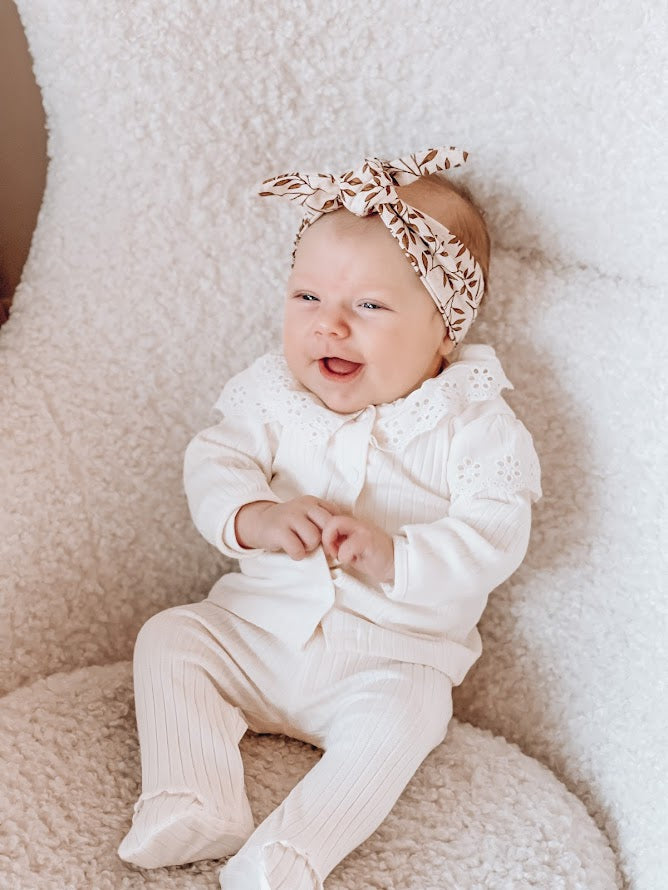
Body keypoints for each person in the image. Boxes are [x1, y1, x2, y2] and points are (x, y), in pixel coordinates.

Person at [118, 147, 542, 889]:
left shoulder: (473, 421)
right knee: (172, 637)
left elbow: (495, 533)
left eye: (369, 307)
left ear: (446, 328)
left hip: (388, 661)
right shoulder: (272, 395)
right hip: (256, 635)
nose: (330, 326)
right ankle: (193, 795)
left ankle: (290, 855)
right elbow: (215, 461)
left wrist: (394, 557)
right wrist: (257, 516)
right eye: (308, 297)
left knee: (413, 715)